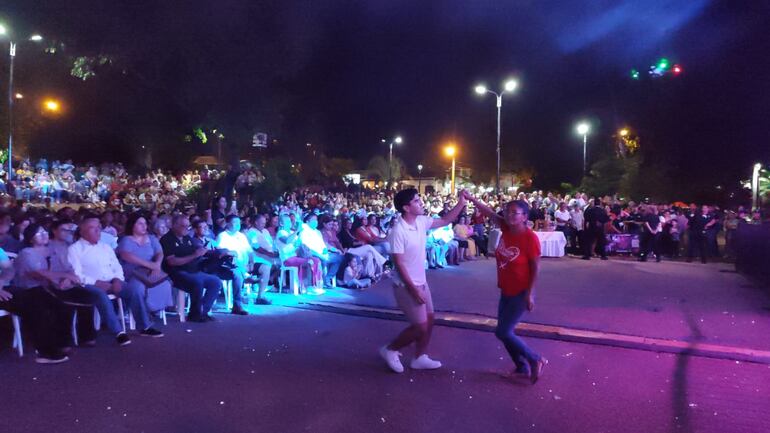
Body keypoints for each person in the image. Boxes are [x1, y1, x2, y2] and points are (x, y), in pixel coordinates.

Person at [380, 188, 466, 373]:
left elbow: (444, 220)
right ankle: (390, 349)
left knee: (430, 319)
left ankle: (419, 357)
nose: (422, 203)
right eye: (417, 201)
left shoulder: (421, 221)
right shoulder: (398, 230)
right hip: (405, 285)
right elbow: (399, 264)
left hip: (421, 281)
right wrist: (413, 289)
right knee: (420, 327)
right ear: (406, 207)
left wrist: (461, 203)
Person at [465, 192, 547, 384]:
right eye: (508, 212)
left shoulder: (530, 238)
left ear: (525, 216)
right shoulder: (506, 228)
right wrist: (471, 199)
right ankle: (521, 367)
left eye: (515, 213)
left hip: (521, 292)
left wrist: (530, 294)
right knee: (503, 332)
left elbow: (536, 267)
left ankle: (536, 359)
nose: (510, 216)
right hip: (506, 290)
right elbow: (489, 212)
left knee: (503, 332)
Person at [68, 214, 164, 345]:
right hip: (88, 284)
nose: (97, 231)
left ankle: (144, 326)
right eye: (92, 228)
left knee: (134, 290)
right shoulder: (75, 249)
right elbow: (76, 274)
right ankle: (118, 332)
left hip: (112, 281)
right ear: (82, 231)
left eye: (99, 228)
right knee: (100, 294)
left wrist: (117, 279)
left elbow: (117, 267)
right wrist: (97, 282)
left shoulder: (105, 247)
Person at [160, 214, 222, 322]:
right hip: (177, 272)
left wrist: (214, 252)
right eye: (183, 226)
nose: (186, 229)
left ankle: (203, 311)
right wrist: (194, 255)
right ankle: (194, 314)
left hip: (193, 270)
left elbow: (196, 251)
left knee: (215, 281)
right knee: (197, 282)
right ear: (174, 225)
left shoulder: (187, 238)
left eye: (187, 226)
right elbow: (172, 262)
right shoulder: (167, 240)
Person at [117, 214, 174, 313]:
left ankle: (152, 310)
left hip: (150, 271)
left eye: (145, 223)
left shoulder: (151, 238)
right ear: (132, 225)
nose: (144, 226)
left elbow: (159, 253)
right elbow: (126, 255)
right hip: (133, 272)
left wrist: (157, 264)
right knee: (138, 288)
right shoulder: (126, 240)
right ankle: (140, 314)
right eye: (140, 224)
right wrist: (151, 265)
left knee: (165, 283)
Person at [215, 215, 256, 312]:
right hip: (226, 266)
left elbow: (249, 251)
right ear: (228, 224)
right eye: (235, 223)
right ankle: (237, 305)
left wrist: (252, 262)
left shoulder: (241, 236)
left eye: (239, 223)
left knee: (238, 272)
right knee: (236, 270)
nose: (238, 225)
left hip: (241, 266)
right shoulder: (222, 236)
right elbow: (222, 252)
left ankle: (245, 274)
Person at [245, 214, 278, 305]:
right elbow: (255, 246)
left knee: (279, 265)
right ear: (256, 222)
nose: (264, 224)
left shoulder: (265, 231)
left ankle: (265, 285)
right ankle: (260, 294)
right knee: (266, 267)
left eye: (264, 222)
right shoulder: (251, 232)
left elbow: (270, 244)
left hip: (269, 257)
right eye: (262, 223)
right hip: (257, 259)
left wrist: (274, 252)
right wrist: (269, 254)